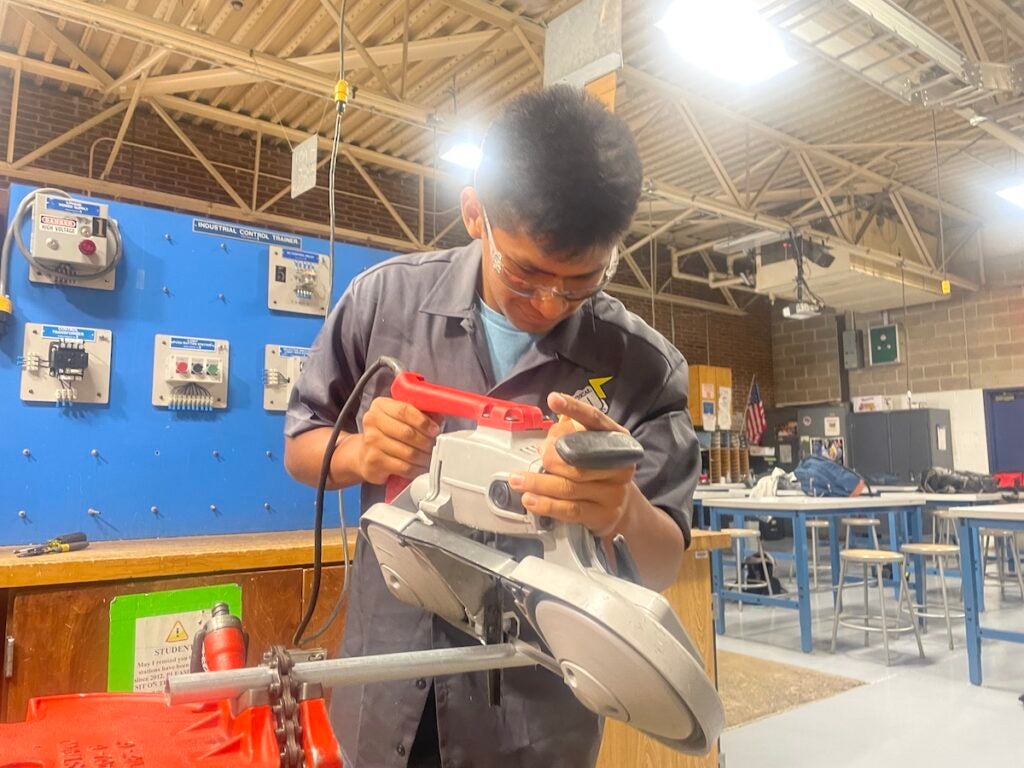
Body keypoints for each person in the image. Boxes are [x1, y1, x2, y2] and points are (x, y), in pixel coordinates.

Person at [284, 85, 700, 768]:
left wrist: (621, 509)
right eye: (527, 272)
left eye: (581, 283)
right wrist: (362, 453)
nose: (549, 302)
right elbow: (302, 449)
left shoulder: (642, 367)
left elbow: (663, 563)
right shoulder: (382, 303)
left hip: (531, 724)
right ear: (474, 212)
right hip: (382, 687)